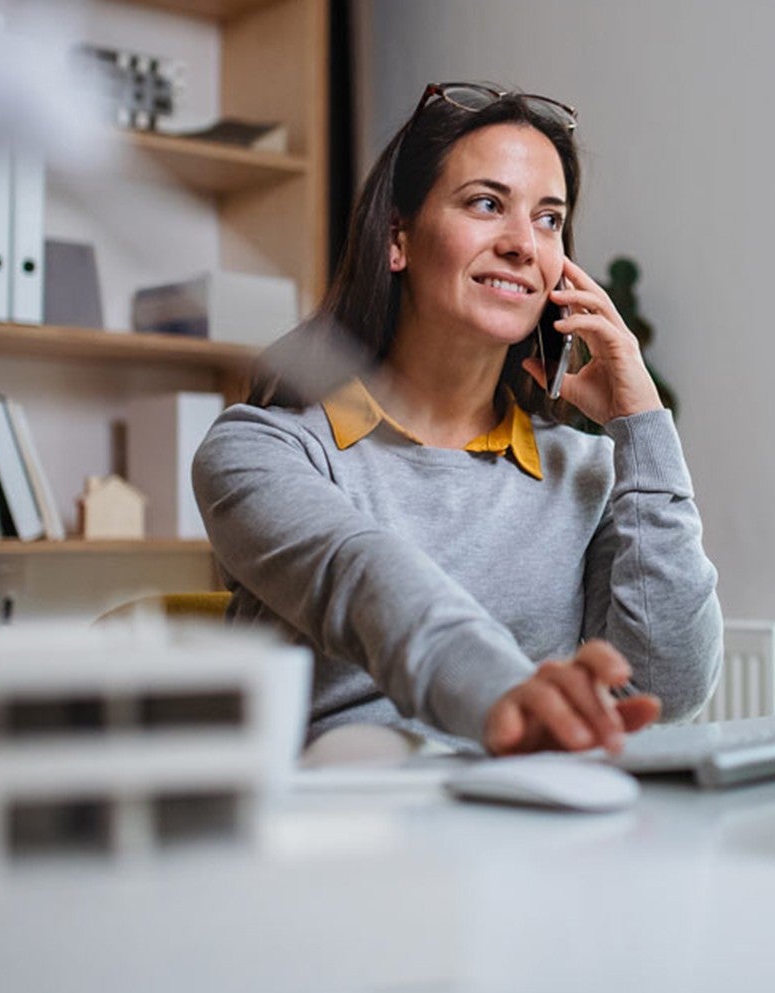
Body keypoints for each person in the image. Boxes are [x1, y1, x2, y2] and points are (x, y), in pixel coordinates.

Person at [192, 82, 722, 757]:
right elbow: (363, 574)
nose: (522, 244)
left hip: (524, 824)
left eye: (548, 219)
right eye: (485, 204)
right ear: (397, 239)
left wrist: (641, 424)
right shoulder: (260, 450)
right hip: (340, 831)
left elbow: (667, 688)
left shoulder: (585, 473)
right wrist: (504, 694)